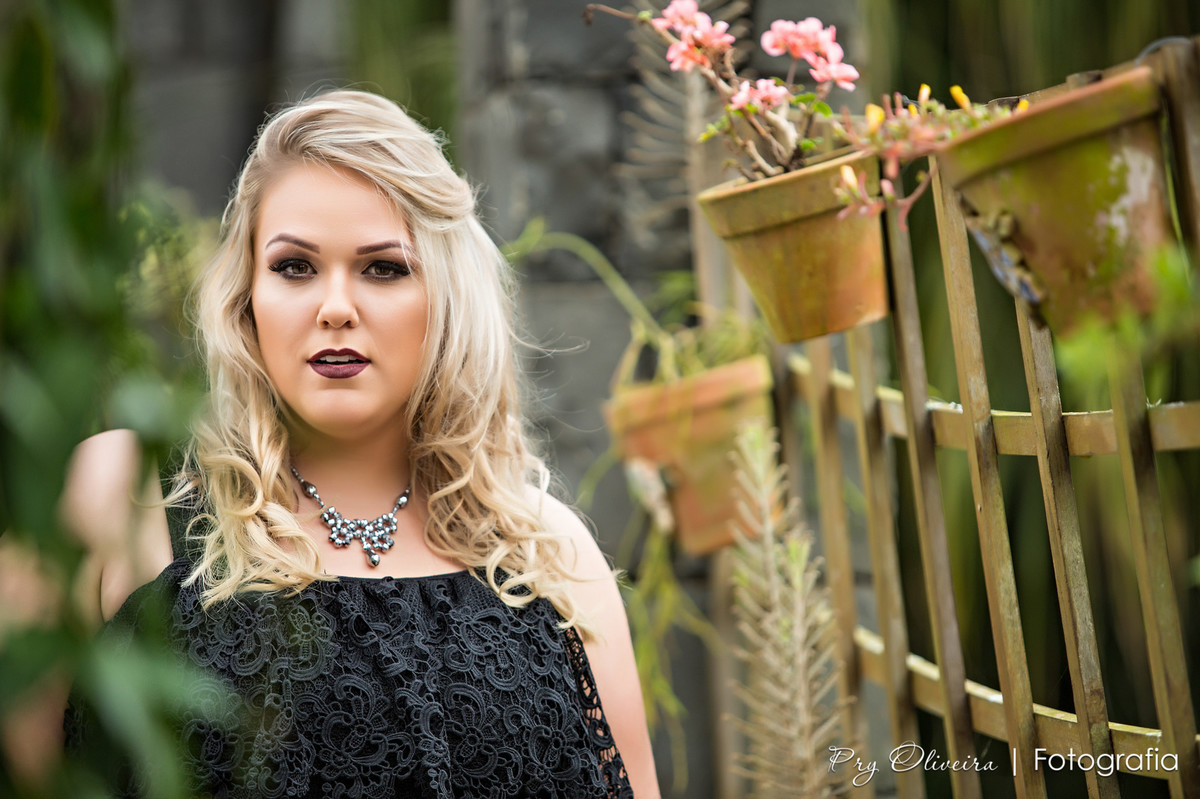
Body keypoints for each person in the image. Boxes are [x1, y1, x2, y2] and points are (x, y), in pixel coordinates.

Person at [35, 90, 657, 796]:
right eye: (294, 267)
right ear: (247, 297)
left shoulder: (548, 554)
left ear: (445, 297)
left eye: (383, 268)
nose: (335, 308)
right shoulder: (126, 493)